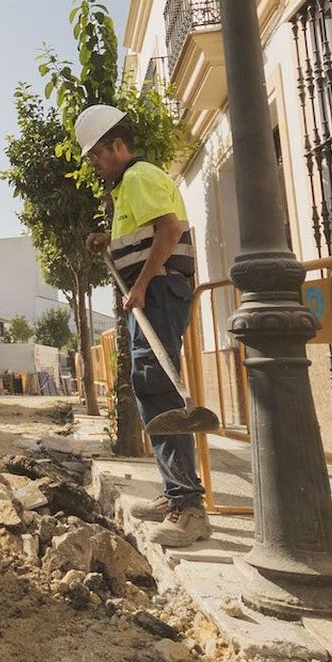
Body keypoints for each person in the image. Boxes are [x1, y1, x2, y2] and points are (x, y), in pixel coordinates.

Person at [77, 104, 208, 547]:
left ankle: (188, 507)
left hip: (157, 294)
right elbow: (144, 238)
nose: (95, 164)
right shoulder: (129, 186)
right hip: (150, 296)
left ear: (117, 145)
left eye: (97, 154)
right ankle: (175, 492)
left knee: (159, 386)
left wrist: (144, 283)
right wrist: (108, 244)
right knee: (151, 385)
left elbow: (168, 232)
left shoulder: (138, 176)